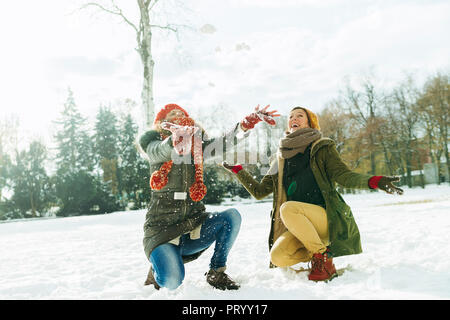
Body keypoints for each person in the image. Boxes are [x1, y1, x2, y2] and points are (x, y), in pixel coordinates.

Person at [222, 106, 403, 282]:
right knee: (278, 257)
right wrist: (239, 171)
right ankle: (318, 252)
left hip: (325, 219)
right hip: (300, 224)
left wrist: (374, 181)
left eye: (300, 115)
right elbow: (260, 192)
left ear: (310, 123)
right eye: (291, 116)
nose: (293, 119)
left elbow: (343, 175)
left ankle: (322, 258)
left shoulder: (321, 147)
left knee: (288, 209)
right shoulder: (280, 159)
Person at [139, 103, 279, 290]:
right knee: (172, 281)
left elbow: (222, 144)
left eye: (181, 113)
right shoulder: (154, 143)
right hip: (162, 231)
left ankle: (216, 272)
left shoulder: (198, 146)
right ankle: (159, 267)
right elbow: (160, 151)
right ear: (162, 122)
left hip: (192, 225)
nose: (178, 115)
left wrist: (244, 126)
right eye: (172, 114)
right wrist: (175, 139)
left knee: (231, 217)